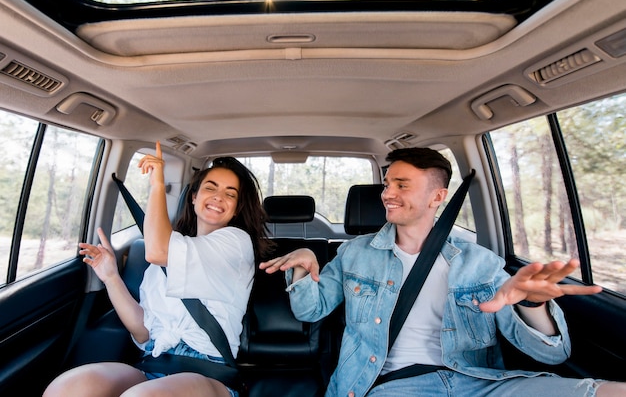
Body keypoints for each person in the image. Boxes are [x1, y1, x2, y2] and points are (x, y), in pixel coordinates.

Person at [260, 147, 626, 397]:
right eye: (388, 183)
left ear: (438, 197)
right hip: (393, 383)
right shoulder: (356, 254)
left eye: (402, 185)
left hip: (480, 383)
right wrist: (306, 265)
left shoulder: (480, 263)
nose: (387, 193)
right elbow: (310, 311)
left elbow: (554, 356)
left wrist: (531, 304)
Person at [44, 141, 273, 397]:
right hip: (153, 361)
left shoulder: (236, 243)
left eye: (231, 194)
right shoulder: (167, 257)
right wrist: (110, 276)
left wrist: (157, 185)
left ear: (236, 208)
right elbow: (143, 332)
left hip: (208, 372)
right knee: (67, 388)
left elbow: (157, 250)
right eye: (210, 187)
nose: (219, 196)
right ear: (194, 196)